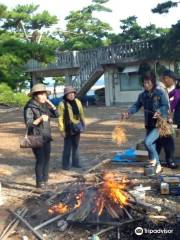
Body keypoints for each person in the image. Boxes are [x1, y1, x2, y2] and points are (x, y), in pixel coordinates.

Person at [122, 71, 169, 174]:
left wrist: (159, 111)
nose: (146, 85)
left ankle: (158, 165)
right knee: (151, 144)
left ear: (153, 82)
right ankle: (152, 163)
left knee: (147, 142)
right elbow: (136, 106)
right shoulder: (142, 96)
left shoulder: (159, 93)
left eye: (148, 82)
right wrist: (128, 113)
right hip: (149, 124)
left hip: (159, 124)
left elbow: (165, 106)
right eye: (144, 82)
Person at [24, 83, 59, 188]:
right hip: (35, 136)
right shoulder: (29, 107)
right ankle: (39, 183)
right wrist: (39, 119)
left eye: (45, 95)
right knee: (41, 159)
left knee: (47, 158)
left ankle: (45, 181)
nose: (45, 97)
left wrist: (51, 104)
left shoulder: (44, 106)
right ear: (35, 96)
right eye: (42, 95)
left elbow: (57, 114)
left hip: (46, 135)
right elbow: (29, 124)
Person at [58, 86, 85, 170]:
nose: (71, 95)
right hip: (68, 128)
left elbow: (81, 114)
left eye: (73, 93)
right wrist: (62, 130)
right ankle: (65, 165)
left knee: (76, 146)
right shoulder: (62, 104)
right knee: (67, 147)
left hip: (77, 126)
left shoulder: (78, 102)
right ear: (65, 95)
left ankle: (75, 163)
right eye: (69, 94)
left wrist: (83, 124)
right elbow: (60, 117)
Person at [156, 70, 177, 169]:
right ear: (167, 78)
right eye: (172, 80)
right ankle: (169, 161)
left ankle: (155, 161)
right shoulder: (160, 89)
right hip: (161, 120)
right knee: (169, 142)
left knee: (159, 141)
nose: (173, 83)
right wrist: (163, 119)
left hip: (161, 119)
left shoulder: (162, 88)